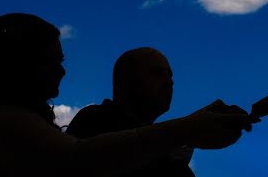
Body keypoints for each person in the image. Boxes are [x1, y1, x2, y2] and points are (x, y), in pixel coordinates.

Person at [0, 13, 254, 177]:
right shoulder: (5, 121)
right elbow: (83, 160)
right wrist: (190, 126)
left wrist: (195, 128)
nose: (62, 72)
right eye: (51, 61)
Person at [67, 48, 193, 176]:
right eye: (157, 73)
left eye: (169, 75)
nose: (169, 82)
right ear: (125, 80)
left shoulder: (166, 149)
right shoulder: (94, 120)